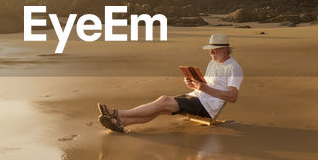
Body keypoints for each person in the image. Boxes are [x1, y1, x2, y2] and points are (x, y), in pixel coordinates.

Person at [98, 33, 243, 133]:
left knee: (163, 101)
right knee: (161, 109)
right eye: (210, 50)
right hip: (197, 97)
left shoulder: (233, 68)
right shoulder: (214, 62)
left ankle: (116, 113)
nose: (210, 53)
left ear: (224, 49)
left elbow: (233, 97)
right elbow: (209, 85)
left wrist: (203, 88)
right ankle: (122, 123)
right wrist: (195, 84)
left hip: (207, 107)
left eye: (214, 50)